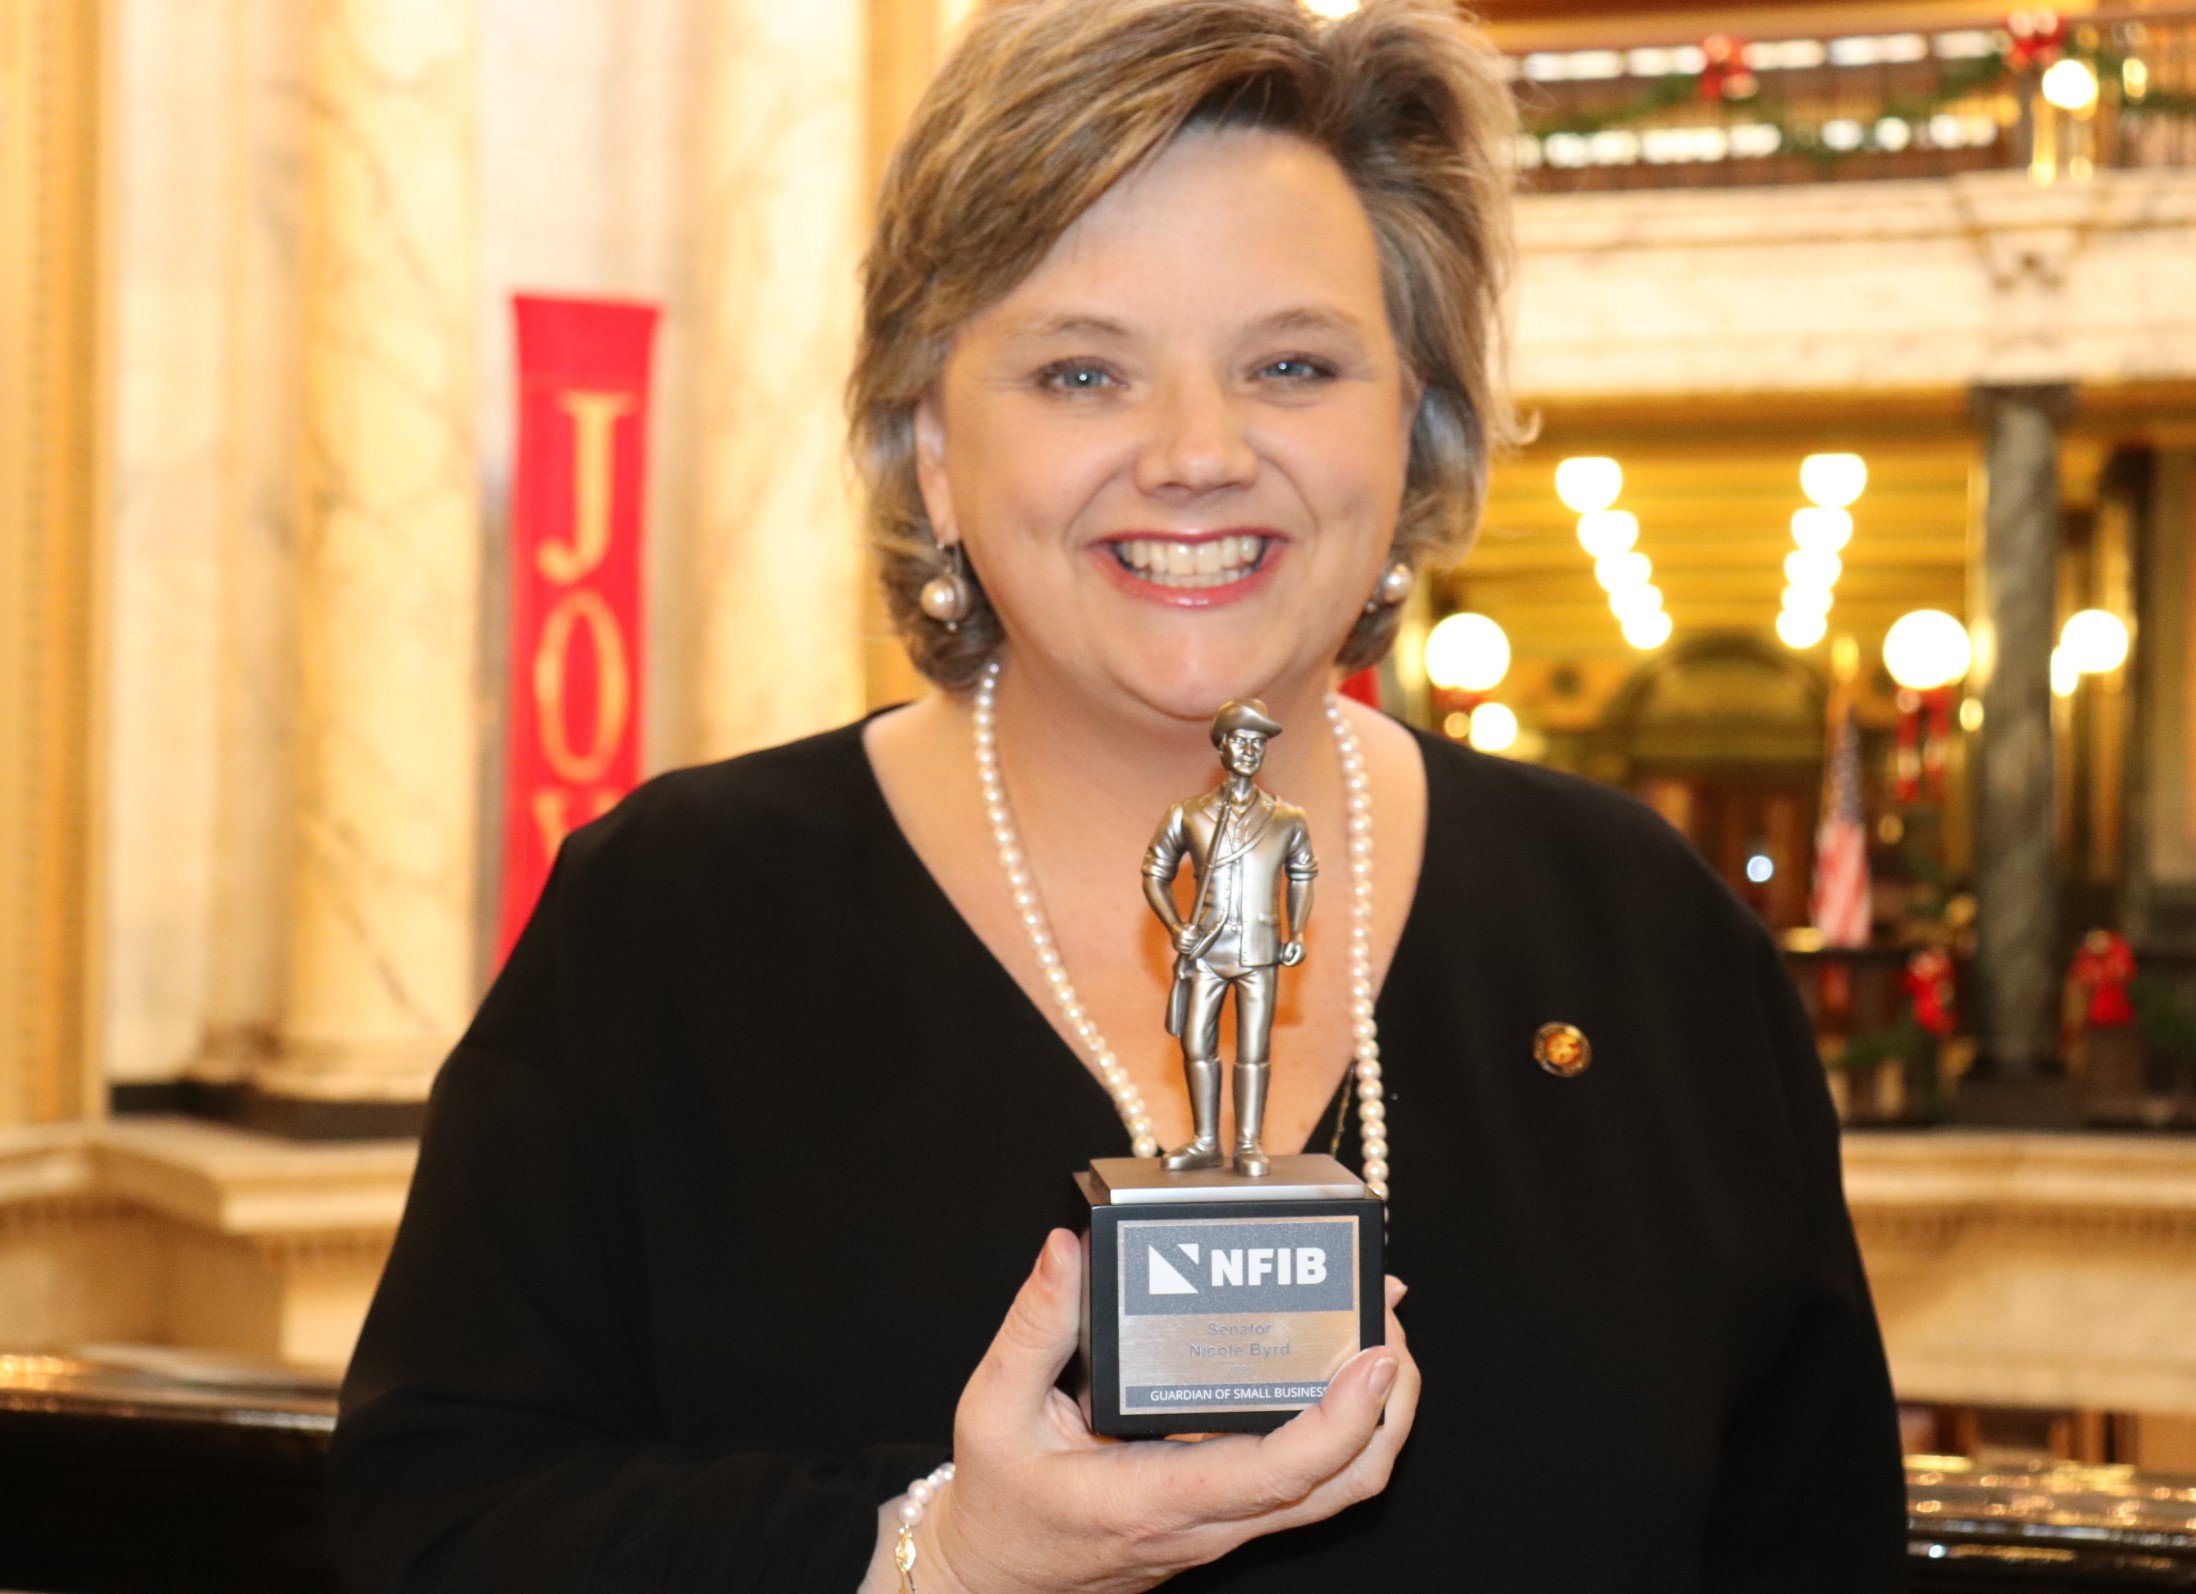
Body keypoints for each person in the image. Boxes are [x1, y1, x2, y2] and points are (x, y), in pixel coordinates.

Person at [328, 0, 1908, 1589]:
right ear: (932, 447)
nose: (1196, 452)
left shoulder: (1646, 937)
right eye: (1083, 371)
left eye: (1291, 363)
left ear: (1411, 421)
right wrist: (939, 1559)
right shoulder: (675, 920)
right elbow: (431, 1530)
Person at [1143, 700, 1316, 1177]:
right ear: (1220, 746)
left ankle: (1248, 1143)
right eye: (1239, 740)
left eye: (1258, 742)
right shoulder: (1188, 814)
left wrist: (1298, 930)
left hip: (1261, 951)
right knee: (1196, 1046)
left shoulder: (1286, 818)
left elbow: (1303, 874)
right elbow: (1155, 872)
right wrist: (1176, 927)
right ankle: (1205, 1141)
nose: (1249, 750)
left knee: (1254, 1052)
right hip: (1205, 952)